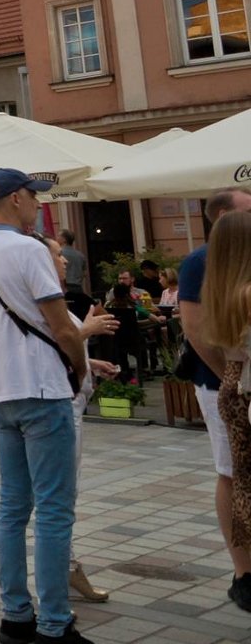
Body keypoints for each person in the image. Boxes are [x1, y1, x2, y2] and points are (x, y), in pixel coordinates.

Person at [0, 168, 90, 644]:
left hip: (1, 391)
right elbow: (63, 327)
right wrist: (78, 370)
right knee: (56, 512)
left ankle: (15, 616)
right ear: (16, 198)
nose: (39, 205)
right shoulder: (29, 249)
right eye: (34, 198)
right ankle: (55, 625)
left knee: (12, 509)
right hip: (42, 387)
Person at [36, 230, 120, 603]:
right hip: (61, 407)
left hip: (72, 402)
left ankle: (66, 569)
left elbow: (65, 345)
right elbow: (55, 342)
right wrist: (89, 329)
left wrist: (91, 361)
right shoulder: (42, 297)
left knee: (64, 494)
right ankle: (62, 574)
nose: (65, 259)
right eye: (57, 255)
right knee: (59, 497)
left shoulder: (57, 298)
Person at [193, 193, 251, 613]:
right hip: (247, 383)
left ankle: (246, 571)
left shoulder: (219, 289)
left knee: (241, 479)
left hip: (231, 384)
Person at [58, 229, 89, 297]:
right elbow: (85, 273)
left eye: (59, 236)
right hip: (78, 288)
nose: (57, 238)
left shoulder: (58, 254)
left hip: (65, 289)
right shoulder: (81, 255)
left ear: (64, 240)